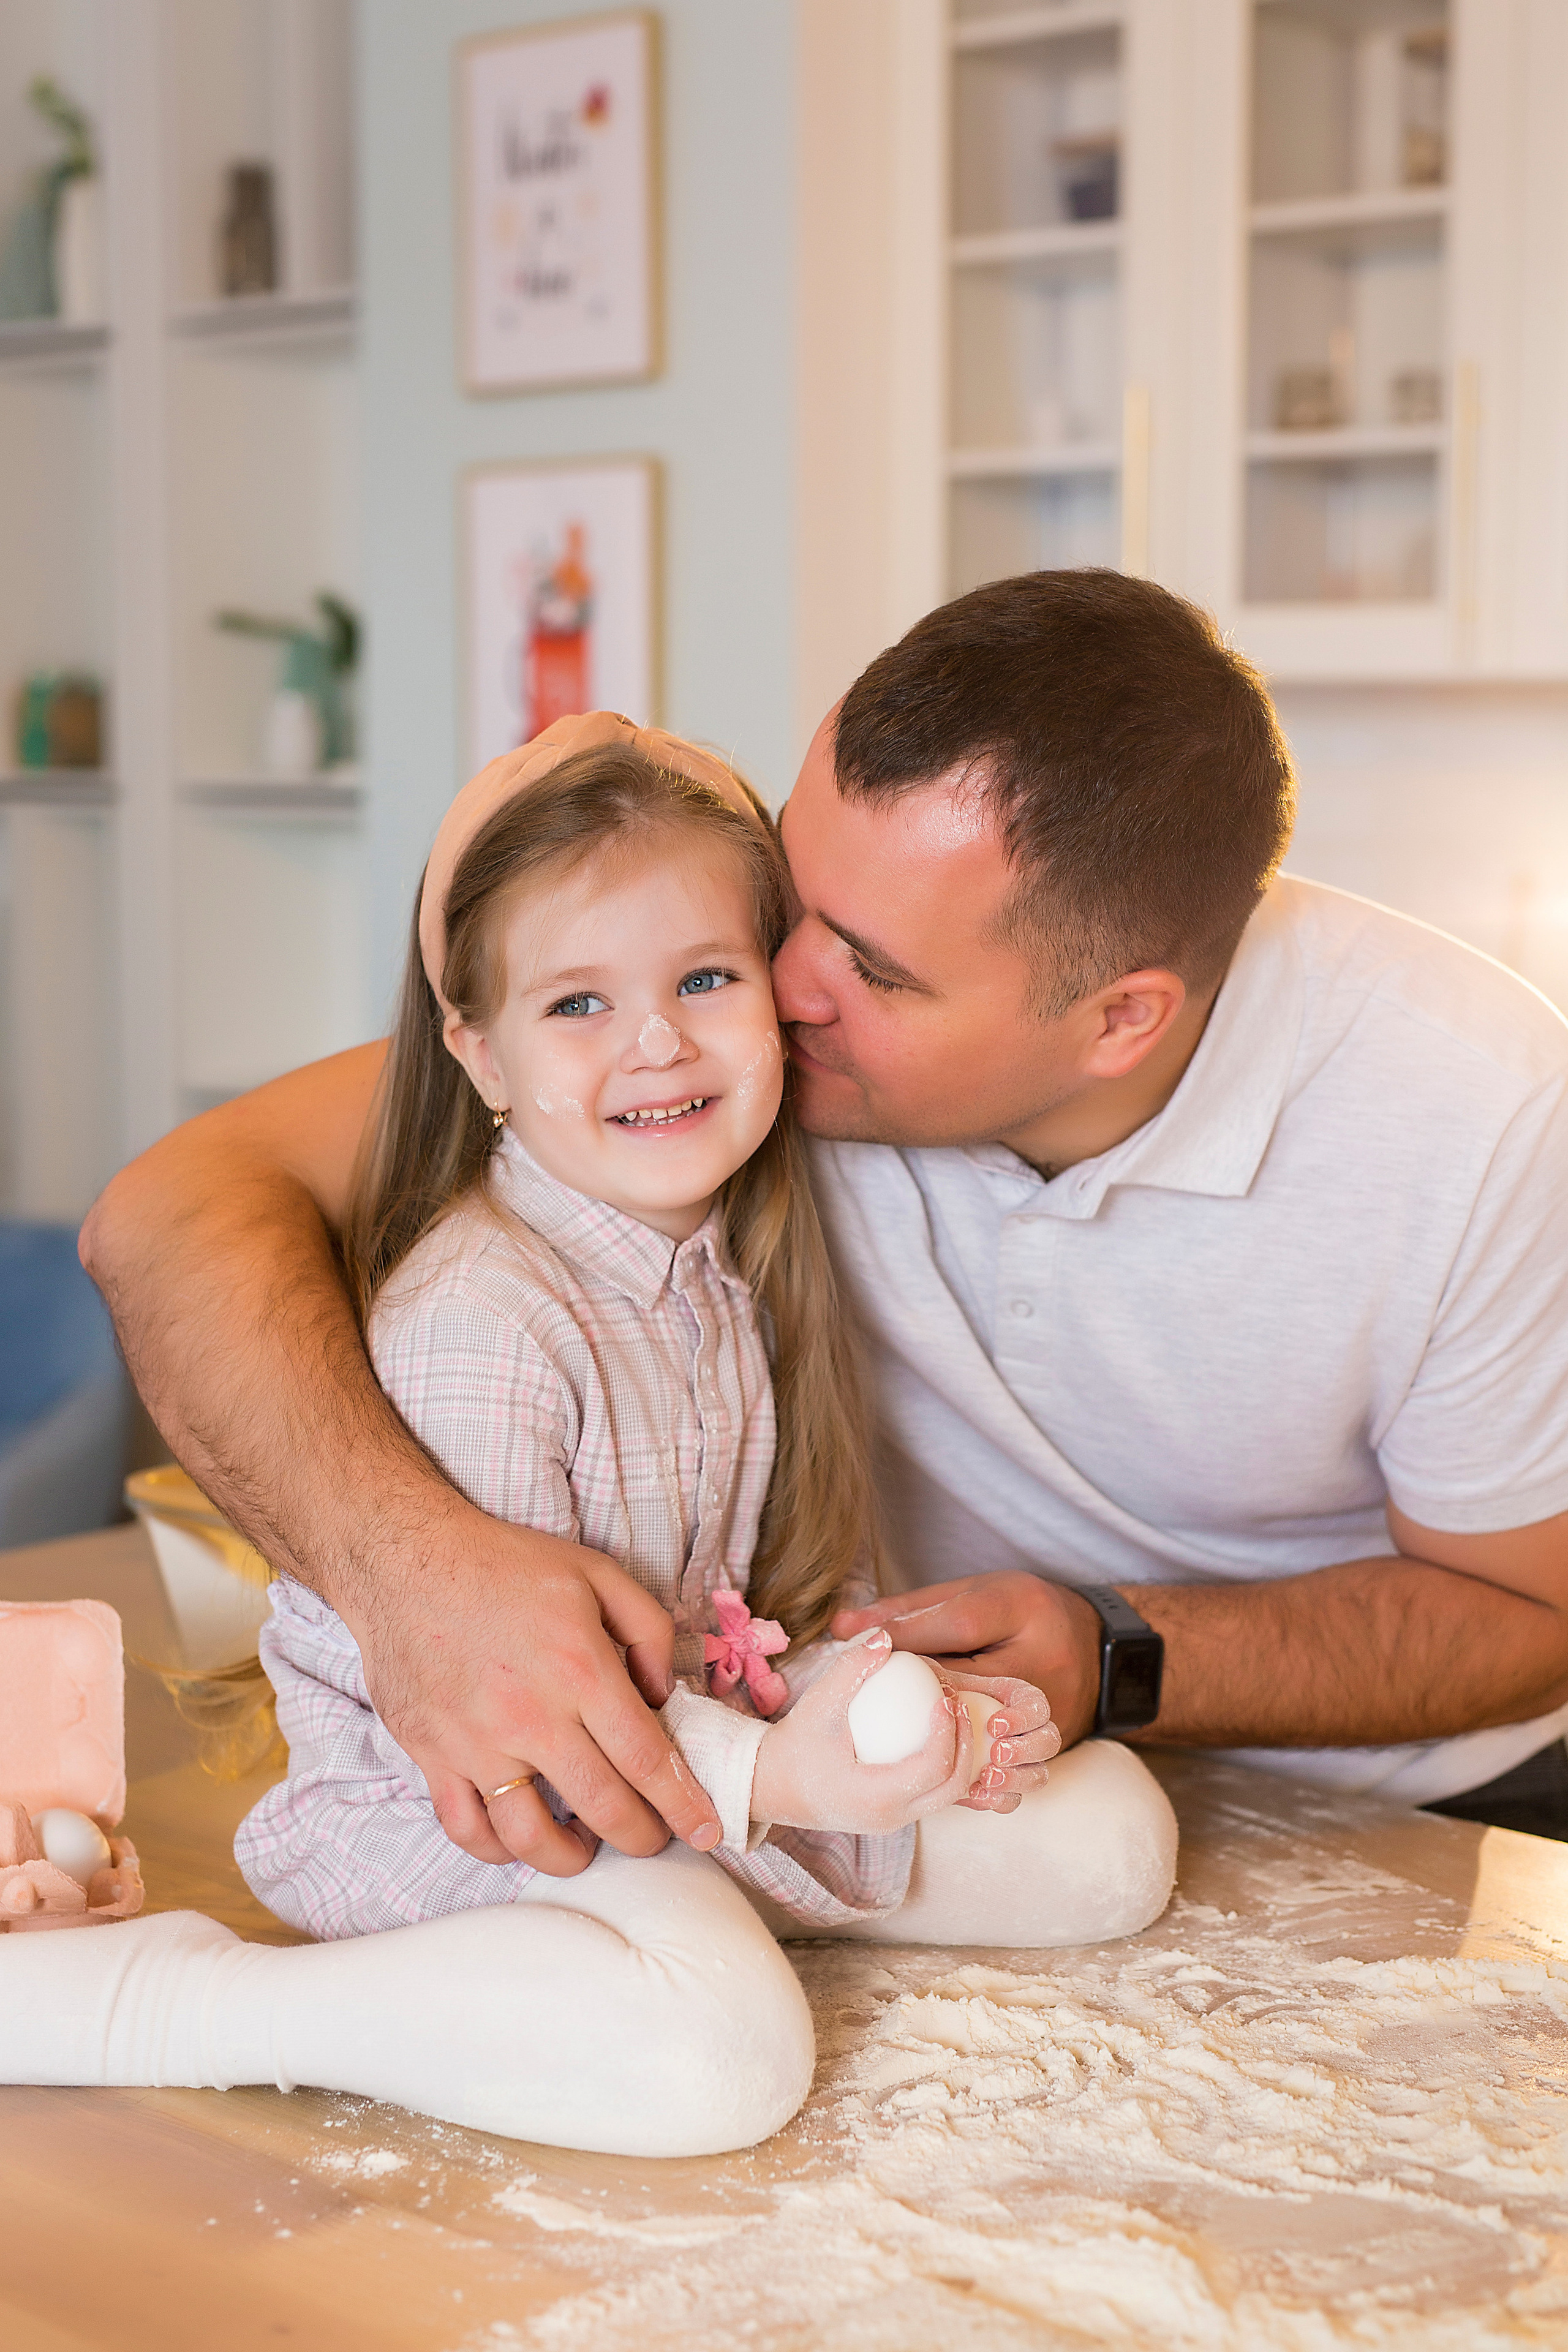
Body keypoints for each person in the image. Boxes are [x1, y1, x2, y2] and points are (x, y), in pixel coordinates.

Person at [78, 570, 1568, 1851]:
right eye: (789, 899)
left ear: (1120, 1020)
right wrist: (414, 1583)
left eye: (873, 970)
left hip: (1419, 1810)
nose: (770, 993)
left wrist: (1118, 1649)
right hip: (879, 1777)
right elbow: (168, 1216)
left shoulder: (1478, 1114)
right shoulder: (712, 1046)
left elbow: (1526, 1614)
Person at [0, 713, 1175, 2158]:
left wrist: (898, 1719)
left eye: (702, 977)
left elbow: (709, 1626)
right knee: (717, 2053)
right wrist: (787, 1780)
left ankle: (663, 1935)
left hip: (665, 1769)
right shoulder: (482, 1320)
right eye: (576, 1006)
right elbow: (514, 1723)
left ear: (778, 1001)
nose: (658, 1041)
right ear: (476, 1054)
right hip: (470, 1807)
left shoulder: (716, 1280)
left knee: (1113, 1836)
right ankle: (179, 2000)